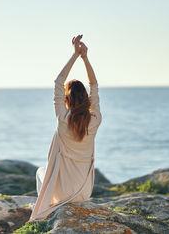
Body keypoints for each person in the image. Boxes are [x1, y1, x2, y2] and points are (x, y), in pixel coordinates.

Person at [28, 34, 102, 222]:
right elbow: (94, 85)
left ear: (67, 100)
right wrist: (85, 58)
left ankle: (47, 206)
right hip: (84, 191)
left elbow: (58, 82)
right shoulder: (95, 120)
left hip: (62, 193)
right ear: (86, 98)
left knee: (40, 172)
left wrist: (75, 55)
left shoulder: (63, 118)